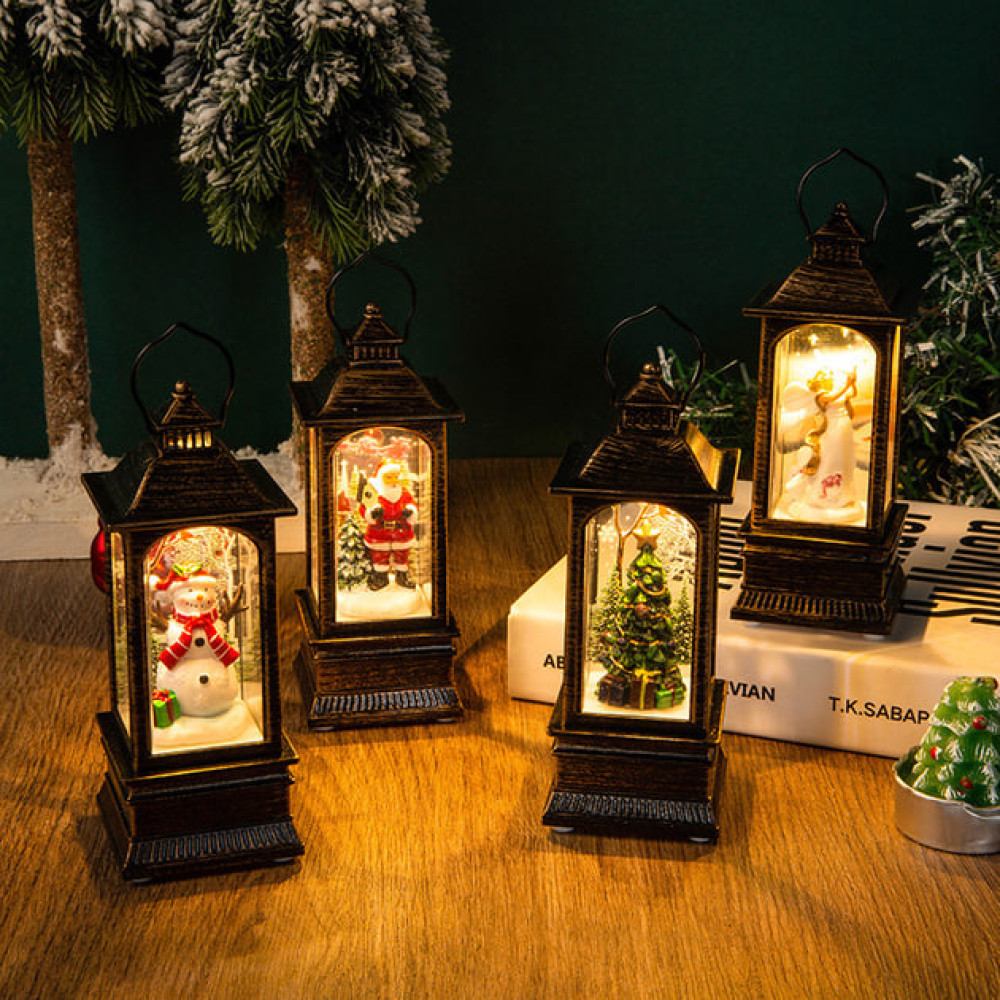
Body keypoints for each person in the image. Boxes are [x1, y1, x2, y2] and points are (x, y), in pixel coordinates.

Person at [360, 461, 418, 590]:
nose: (393, 481)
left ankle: (402, 577)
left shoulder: (404, 493)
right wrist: (372, 513)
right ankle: (381, 578)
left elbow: (412, 504)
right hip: (380, 532)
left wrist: (410, 510)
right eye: (389, 477)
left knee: (402, 555)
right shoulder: (374, 493)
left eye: (396, 477)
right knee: (380, 556)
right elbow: (364, 508)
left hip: (401, 531)